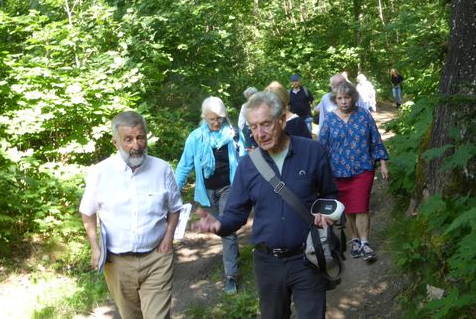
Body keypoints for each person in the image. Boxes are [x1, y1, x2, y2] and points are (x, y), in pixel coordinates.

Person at [193, 91, 338, 319]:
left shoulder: (313, 152)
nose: (259, 134)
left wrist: (326, 213)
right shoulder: (248, 166)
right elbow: (236, 214)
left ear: (281, 120)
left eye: (266, 124)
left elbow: (331, 195)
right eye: (253, 127)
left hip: (308, 257)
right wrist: (218, 224)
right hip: (268, 263)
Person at [80, 111, 183, 319]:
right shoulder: (100, 173)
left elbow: (175, 208)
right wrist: (94, 246)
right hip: (117, 263)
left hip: (157, 259)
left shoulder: (162, 169)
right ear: (115, 142)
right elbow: (87, 212)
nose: (136, 146)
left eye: (140, 137)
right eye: (128, 139)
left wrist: (168, 238)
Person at [175, 96, 243, 294]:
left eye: (219, 118)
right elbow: (184, 165)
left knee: (227, 230)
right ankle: (233, 253)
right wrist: (172, 192)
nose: (215, 123)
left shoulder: (232, 135)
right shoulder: (196, 137)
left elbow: (245, 160)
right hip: (207, 192)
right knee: (219, 229)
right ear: (204, 117)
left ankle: (231, 275)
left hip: (229, 188)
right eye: (211, 119)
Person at [318, 81, 389, 263]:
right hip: (338, 172)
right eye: (340, 98)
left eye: (347, 97)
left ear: (353, 98)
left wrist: (382, 163)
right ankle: (354, 239)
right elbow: (322, 148)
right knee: (348, 209)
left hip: (363, 168)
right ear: (335, 99)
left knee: (361, 206)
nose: (343, 101)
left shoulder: (364, 115)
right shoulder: (330, 120)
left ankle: (365, 243)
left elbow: (375, 139)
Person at [239, 86, 258, 151]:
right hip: (249, 129)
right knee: (251, 149)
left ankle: (262, 159)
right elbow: (241, 120)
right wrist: (239, 131)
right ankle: (255, 159)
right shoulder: (244, 106)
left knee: (259, 147)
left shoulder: (260, 105)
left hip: (259, 128)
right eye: (249, 96)